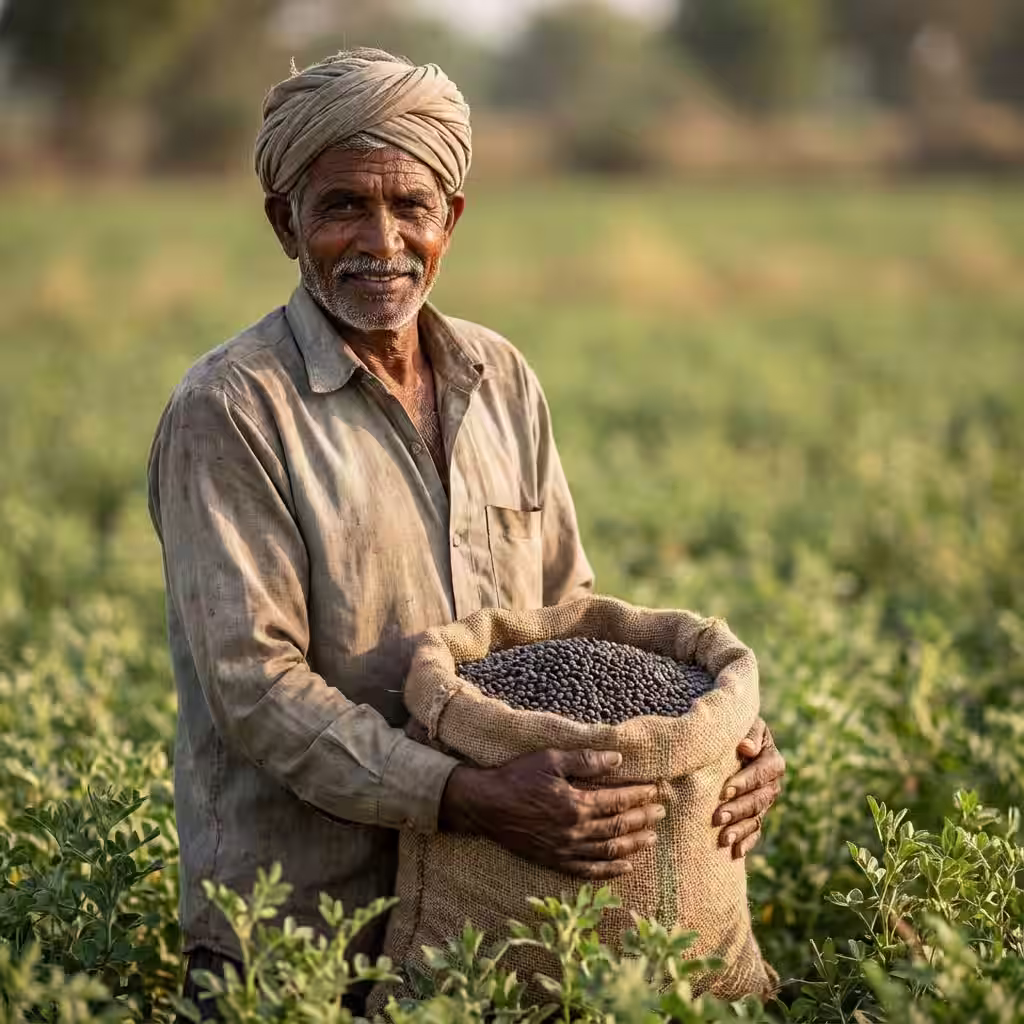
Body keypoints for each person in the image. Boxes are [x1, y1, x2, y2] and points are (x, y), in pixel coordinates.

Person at [147, 48, 785, 1018]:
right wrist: (465, 794)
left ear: (452, 218)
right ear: (287, 222)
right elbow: (255, 690)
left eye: (412, 207)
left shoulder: (501, 378)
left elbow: (572, 632)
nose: (383, 241)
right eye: (343, 207)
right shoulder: (232, 410)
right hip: (309, 938)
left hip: (492, 922)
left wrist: (716, 748)